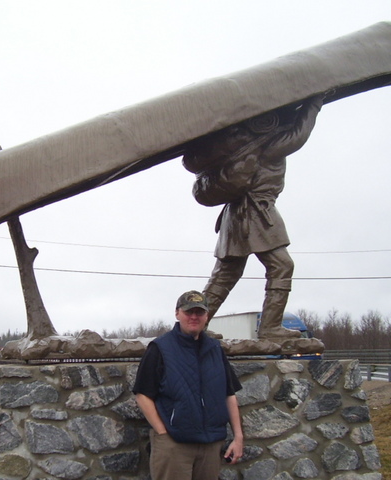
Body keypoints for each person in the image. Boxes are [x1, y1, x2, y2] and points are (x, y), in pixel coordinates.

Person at [182, 96, 324, 342]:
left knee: (224, 276)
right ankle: (270, 327)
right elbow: (299, 135)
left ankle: (197, 328)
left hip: (233, 217)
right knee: (281, 266)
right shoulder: (269, 146)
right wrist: (314, 104)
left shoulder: (243, 148)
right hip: (257, 212)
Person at [132, 290, 244, 480]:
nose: (194, 317)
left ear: (206, 316)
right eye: (188, 312)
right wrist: (163, 433)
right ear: (177, 313)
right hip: (175, 444)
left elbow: (229, 393)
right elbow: (142, 394)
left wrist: (238, 436)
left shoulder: (215, 349)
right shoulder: (160, 348)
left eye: (199, 312)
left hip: (211, 444)